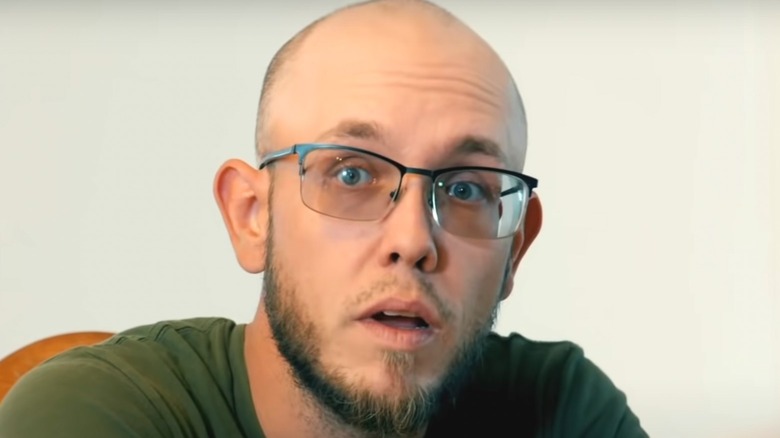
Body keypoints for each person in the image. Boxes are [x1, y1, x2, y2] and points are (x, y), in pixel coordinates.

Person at [0, 0, 649, 437]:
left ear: (516, 250)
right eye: (352, 174)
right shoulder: (94, 415)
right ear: (252, 216)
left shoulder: (559, 410)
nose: (414, 241)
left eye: (467, 189)